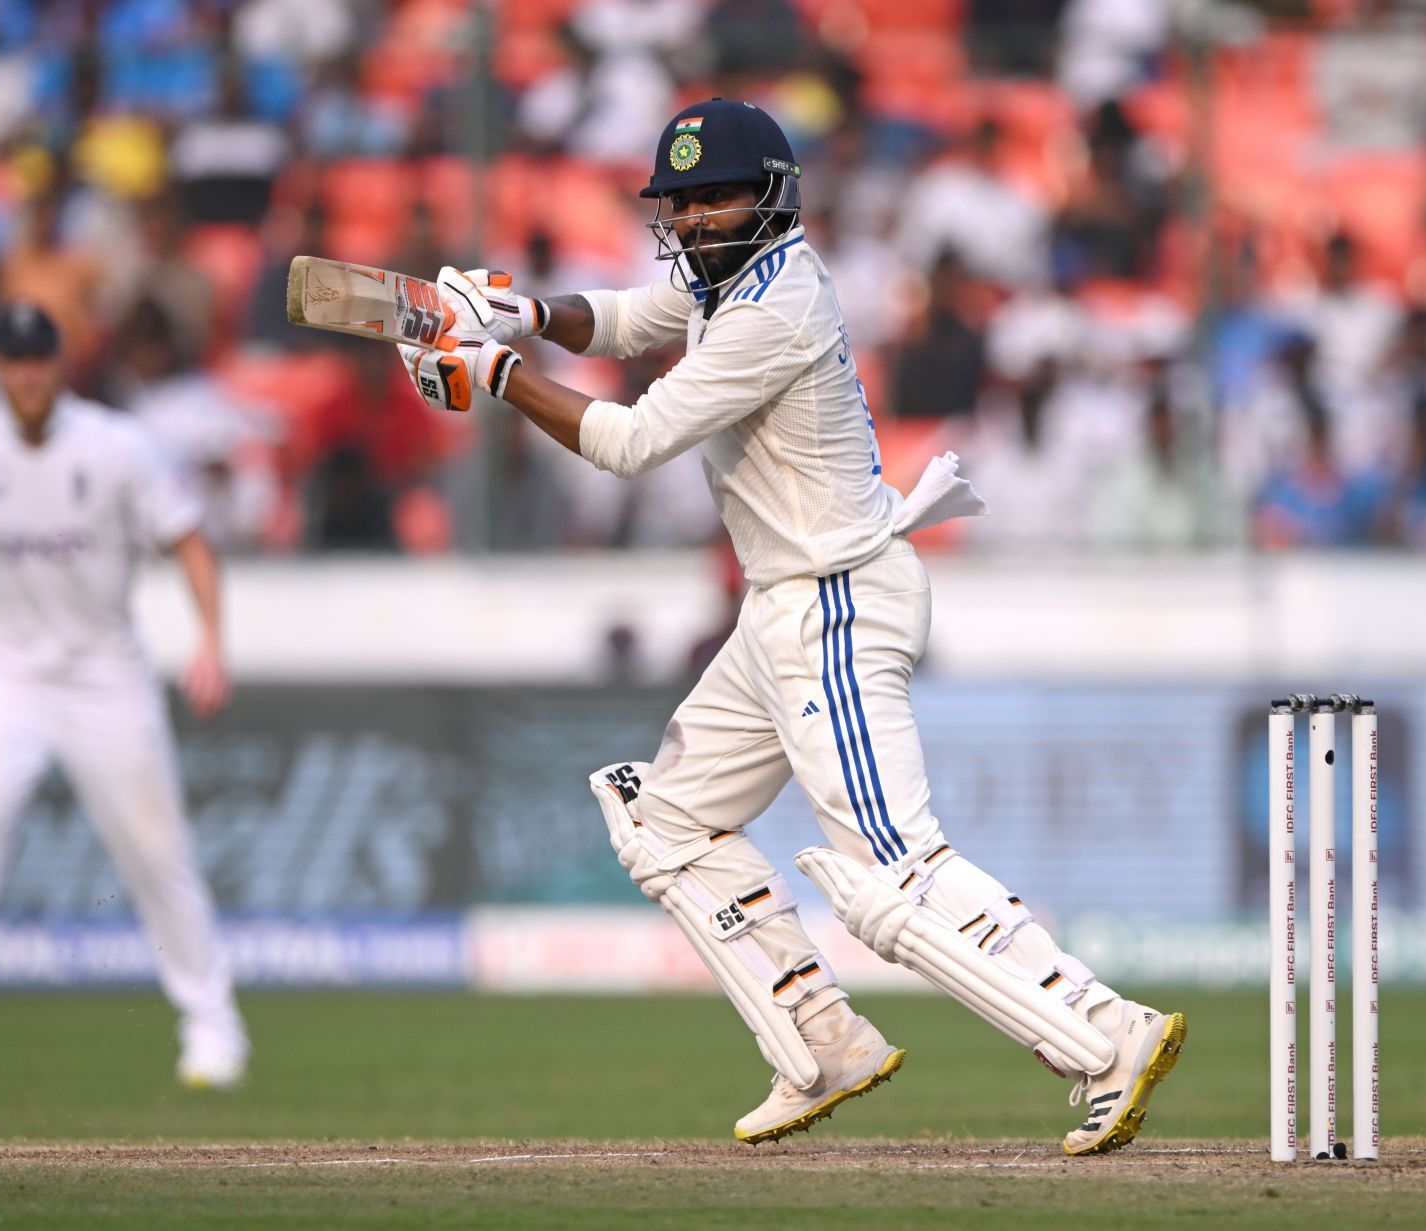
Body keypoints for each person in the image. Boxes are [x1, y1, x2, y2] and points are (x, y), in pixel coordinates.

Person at [396, 99, 1185, 1154]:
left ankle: (1105, 1033)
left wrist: (493, 373)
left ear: (771, 196)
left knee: (888, 874)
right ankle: (819, 1041)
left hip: (835, 602)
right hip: (779, 606)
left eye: (715, 197)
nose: (693, 220)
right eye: (677, 204)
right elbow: (630, 319)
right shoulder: (719, 280)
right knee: (665, 820)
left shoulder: (778, 304)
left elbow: (632, 442)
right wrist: (526, 314)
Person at [0, 302, 248, 1092]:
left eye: (40, 358)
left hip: (107, 675)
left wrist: (210, 639)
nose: (28, 374)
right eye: (13, 360)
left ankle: (213, 1028)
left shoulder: (118, 447)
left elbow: (190, 543)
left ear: (58, 365)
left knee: (156, 851)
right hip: (8, 675)